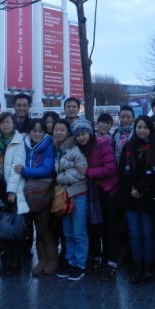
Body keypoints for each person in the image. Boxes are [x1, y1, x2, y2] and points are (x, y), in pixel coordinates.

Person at [73, 118, 120, 282]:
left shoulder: (102, 144)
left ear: (90, 132)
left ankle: (111, 262)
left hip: (108, 191)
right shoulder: (81, 149)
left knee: (110, 228)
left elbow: (111, 168)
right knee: (94, 226)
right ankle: (96, 257)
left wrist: (88, 172)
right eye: (78, 135)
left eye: (84, 133)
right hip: (93, 192)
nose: (81, 137)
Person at [118, 115, 155, 285]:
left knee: (148, 233)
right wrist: (132, 189)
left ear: (151, 129)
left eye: (145, 127)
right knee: (134, 233)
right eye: (139, 127)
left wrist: (140, 189)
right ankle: (138, 268)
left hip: (149, 197)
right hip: (130, 197)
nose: (142, 130)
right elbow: (122, 171)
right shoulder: (128, 146)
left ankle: (148, 267)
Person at [19, 118, 58, 275]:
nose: (37, 134)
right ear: (29, 131)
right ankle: (42, 259)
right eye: (34, 131)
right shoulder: (24, 144)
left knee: (44, 226)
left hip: (44, 192)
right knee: (36, 225)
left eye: (40, 131)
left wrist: (24, 171)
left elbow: (47, 169)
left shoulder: (49, 146)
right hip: (28, 193)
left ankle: (53, 259)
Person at [54, 119, 89, 281]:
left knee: (79, 232)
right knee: (67, 232)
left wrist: (60, 178)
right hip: (64, 195)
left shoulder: (75, 150)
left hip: (78, 194)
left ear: (68, 132)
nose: (59, 132)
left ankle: (80, 265)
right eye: (56, 129)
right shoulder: (55, 149)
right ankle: (70, 261)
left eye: (62, 129)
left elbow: (82, 172)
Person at [0, 112, 28, 275]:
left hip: (14, 190)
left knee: (15, 227)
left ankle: (15, 262)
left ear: (13, 124)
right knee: (3, 227)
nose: (5, 125)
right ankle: (6, 260)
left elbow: (17, 167)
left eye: (8, 122)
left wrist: (11, 191)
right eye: (2, 122)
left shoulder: (19, 141)